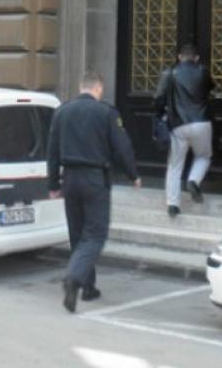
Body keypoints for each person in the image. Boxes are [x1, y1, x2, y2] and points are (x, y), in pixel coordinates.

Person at [47, 72, 141, 313]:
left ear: (81, 87)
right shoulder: (106, 113)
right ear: (98, 89)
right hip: (95, 179)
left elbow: (52, 151)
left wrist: (53, 185)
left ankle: (87, 287)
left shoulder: (62, 112)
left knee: (78, 234)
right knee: (95, 235)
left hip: (70, 179)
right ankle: (74, 278)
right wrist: (133, 174)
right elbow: (122, 147)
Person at [154, 44, 214, 218]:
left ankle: (173, 205)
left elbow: (158, 98)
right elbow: (210, 89)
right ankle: (193, 180)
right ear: (196, 58)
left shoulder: (169, 73)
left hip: (178, 124)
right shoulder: (203, 71)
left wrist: (159, 116)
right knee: (203, 156)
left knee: (175, 165)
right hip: (202, 122)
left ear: (179, 57)